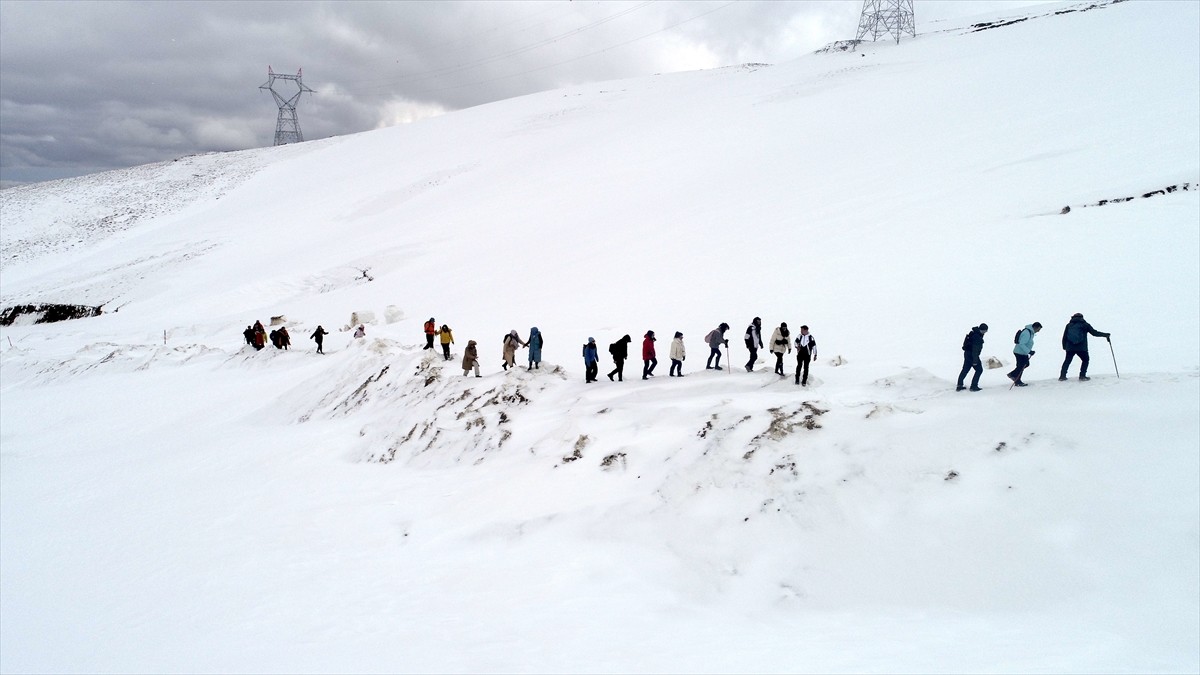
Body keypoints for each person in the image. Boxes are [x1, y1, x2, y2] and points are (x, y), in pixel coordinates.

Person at [1059, 313, 1110, 381]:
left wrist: (1064, 346)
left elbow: (1064, 336)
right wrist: (1105, 335)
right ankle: (1082, 376)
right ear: (1082, 317)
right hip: (1081, 347)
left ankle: (1062, 376)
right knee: (1085, 360)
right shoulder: (1085, 325)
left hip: (1070, 347)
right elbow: (1094, 333)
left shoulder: (1069, 325)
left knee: (1067, 361)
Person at [1008, 322, 1042, 386]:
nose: (1038, 331)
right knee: (1021, 366)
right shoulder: (1027, 333)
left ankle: (1014, 376)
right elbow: (1021, 344)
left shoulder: (1030, 332)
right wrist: (1029, 351)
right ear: (1035, 327)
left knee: (1024, 365)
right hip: (1019, 352)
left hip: (1022, 352)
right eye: (1038, 329)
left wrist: (1029, 351)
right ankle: (1016, 380)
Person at [956, 323, 988, 391]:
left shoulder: (973, 333)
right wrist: (975, 361)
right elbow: (975, 350)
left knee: (965, 370)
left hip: (967, 354)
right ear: (982, 330)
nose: (985, 332)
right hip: (972, 355)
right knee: (979, 370)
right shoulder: (977, 337)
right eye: (985, 331)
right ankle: (974, 386)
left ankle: (959, 385)